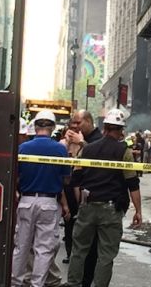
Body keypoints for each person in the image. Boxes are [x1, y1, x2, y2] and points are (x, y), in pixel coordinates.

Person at [64, 109, 142, 287]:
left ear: (105, 128)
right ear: (121, 130)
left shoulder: (87, 149)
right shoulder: (124, 151)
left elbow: (75, 179)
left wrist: (79, 203)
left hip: (88, 206)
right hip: (111, 209)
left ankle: (73, 283)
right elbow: (132, 184)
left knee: (79, 250)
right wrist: (138, 211)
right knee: (106, 255)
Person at [11, 110, 71, 287]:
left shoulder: (23, 149)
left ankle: (15, 283)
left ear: (35, 127)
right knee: (43, 249)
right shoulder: (60, 150)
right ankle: (37, 284)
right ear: (52, 127)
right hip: (49, 203)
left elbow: (15, 177)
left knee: (21, 246)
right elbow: (66, 179)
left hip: (26, 201)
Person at [63, 110, 101, 286]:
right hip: (76, 194)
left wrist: (82, 143)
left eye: (78, 123)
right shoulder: (78, 140)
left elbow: (98, 157)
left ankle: (86, 281)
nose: (75, 127)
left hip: (92, 198)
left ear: (88, 121)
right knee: (75, 238)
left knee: (90, 246)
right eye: (73, 124)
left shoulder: (97, 139)